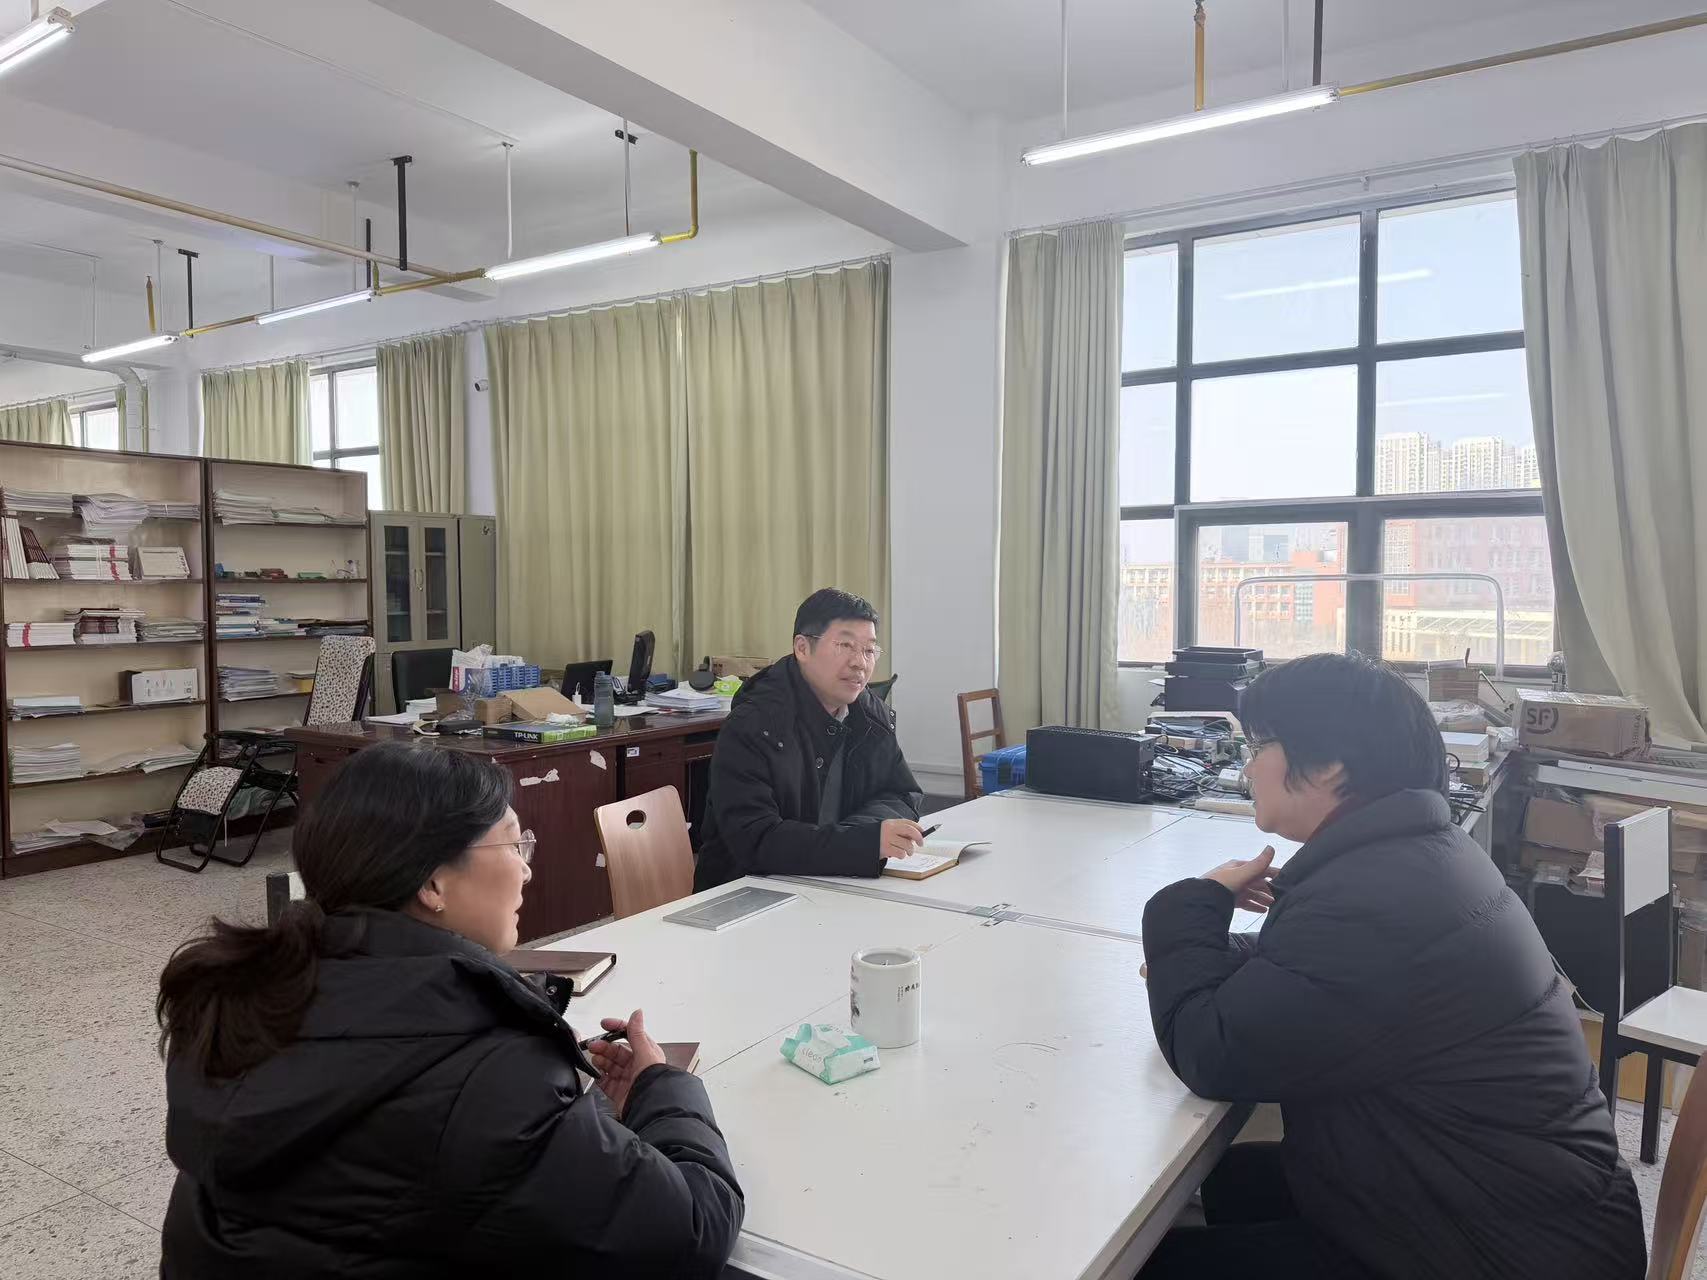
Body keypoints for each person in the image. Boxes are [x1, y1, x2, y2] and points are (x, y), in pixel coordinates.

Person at [1139, 653, 1644, 1280]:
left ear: (1330, 765)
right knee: (1235, 1177)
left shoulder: (1373, 897)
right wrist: (1201, 953)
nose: (1246, 765)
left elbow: (1210, 1054)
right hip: (1516, 1208)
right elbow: (1316, 971)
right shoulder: (1413, 855)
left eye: (1259, 744)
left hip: (1504, 1253)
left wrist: (1193, 905)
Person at [157, 740, 743, 1278]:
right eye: (513, 843)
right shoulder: (489, 1072)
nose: (527, 867)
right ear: (432, 884)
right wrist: (662, 1088)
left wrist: (570, 1124)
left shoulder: (236, 998)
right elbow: (691, 1233)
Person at [694, 587, 924, 890]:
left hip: (834, 883)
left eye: (869, 650)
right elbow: (756, 840)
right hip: (749, 891)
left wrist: (856, 838)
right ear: (802, 648)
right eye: (845, 645)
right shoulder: (755, 725)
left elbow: (902, 794)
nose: (860, 662)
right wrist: (860, 842)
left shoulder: (871, 715)